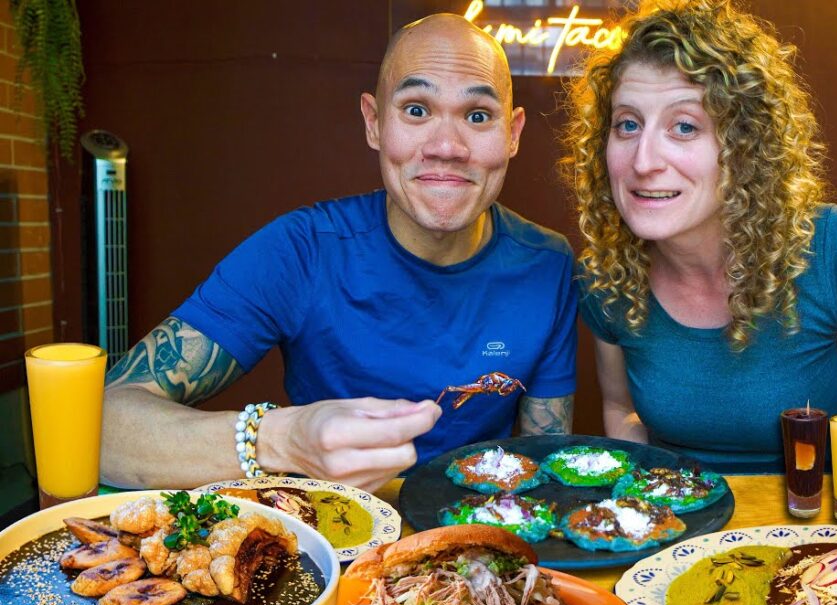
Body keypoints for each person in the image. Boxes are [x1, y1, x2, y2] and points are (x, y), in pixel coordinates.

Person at [102, 14, 577, 491]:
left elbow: (547, 467)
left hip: (475, 529)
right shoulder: (300, 251)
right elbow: (102, 426)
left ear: (513, 133)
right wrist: (282, 439)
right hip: (327, 528)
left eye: (477, 116)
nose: (447, 147)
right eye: (416, 110)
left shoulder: (548, 264)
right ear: (374, 123)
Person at [564, 0, 837, 472]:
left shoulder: (836, 248)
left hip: (810, 515)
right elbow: (622, 410)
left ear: (746, 145)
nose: (643, 161)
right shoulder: (608, 274)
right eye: (627, 124)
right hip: (680, 511)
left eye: (684, 127)